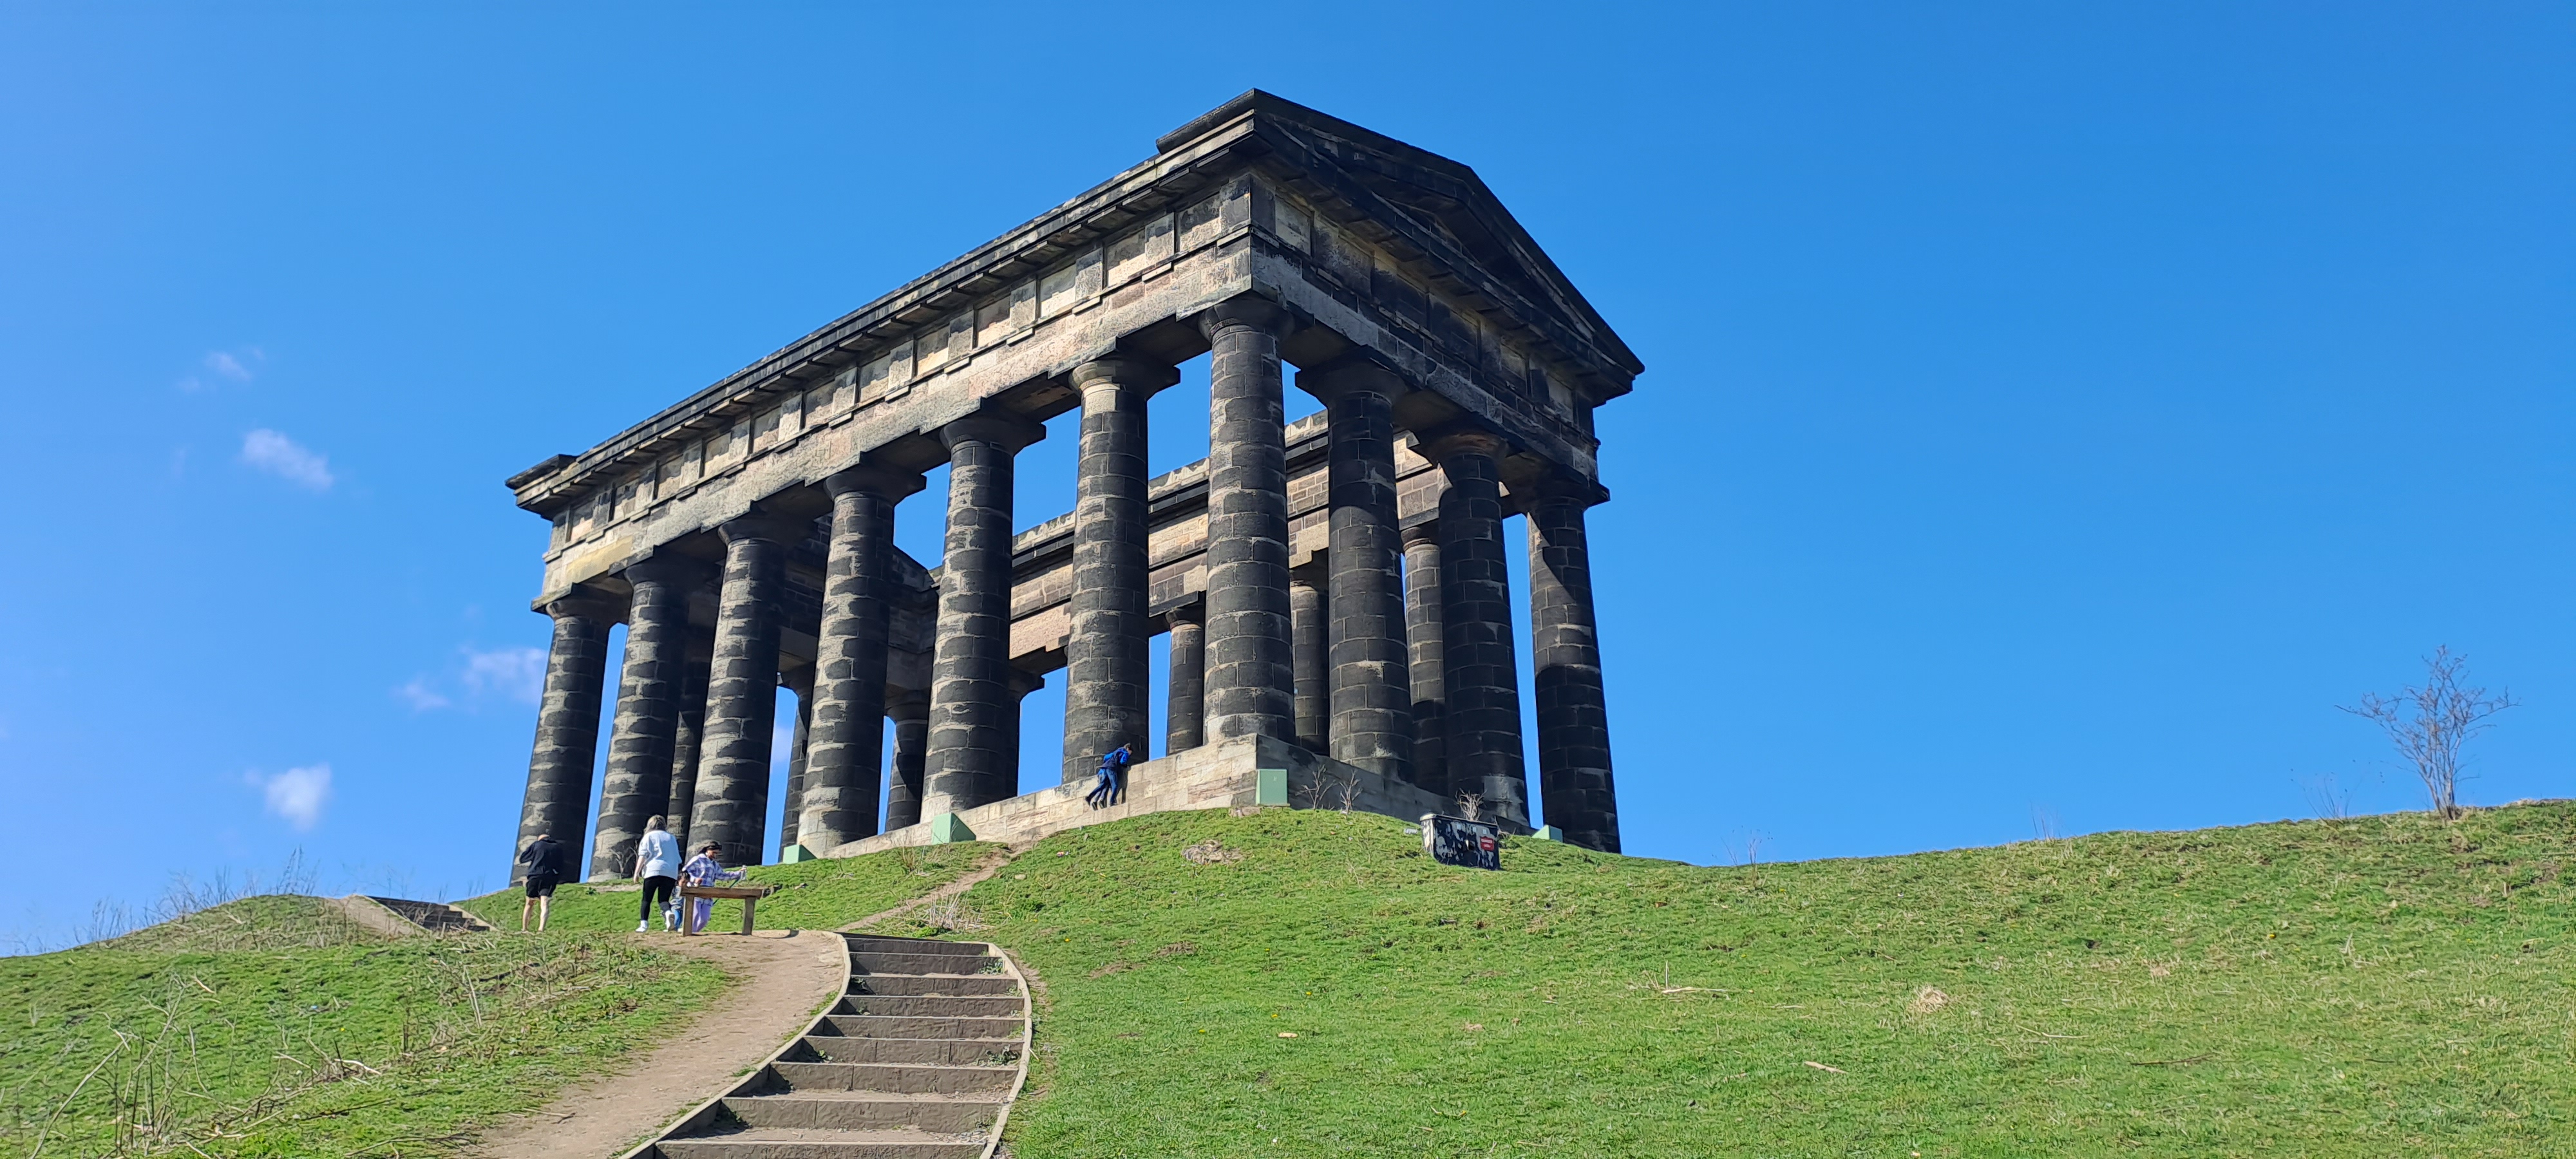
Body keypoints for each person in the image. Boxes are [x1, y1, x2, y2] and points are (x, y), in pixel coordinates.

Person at [678, 842, 744, 935]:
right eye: (714, 853)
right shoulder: (698, 859)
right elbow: (685, 872)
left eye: (717, 854)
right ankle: (688, 932)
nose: (715, 855)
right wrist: (694, 880)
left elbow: (722, 875)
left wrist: (738, 873)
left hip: (709, 892)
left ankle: (694, 933)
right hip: (695, 890)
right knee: (695, 915)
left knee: (704, 919)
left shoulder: (714, 864)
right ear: (707, 850)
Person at [632, 815, 682, 932]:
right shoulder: (671, 838)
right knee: (663, 900)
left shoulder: (648, 836)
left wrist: (636, 873)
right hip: (670, 872)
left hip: (653, 870)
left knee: (647, 899)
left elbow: (643, 855)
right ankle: (669, 913)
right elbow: (678, 859)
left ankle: (644, 925)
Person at [516, 831, 565, 932]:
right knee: (544, 903)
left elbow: (523, 858)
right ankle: (541, 929)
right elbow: (561, 865)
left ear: (540, 839)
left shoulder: (537, 844)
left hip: (535, 875)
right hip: (549, 877)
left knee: (529, 902)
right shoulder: (557, 847)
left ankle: (524, 929)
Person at [1103, 742, 1133, 806]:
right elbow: (1122, 762)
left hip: (1106, 769)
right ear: (1128, 749)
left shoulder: (1116, 752)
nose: (1130, 754)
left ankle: (1103, 800)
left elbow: (1106, 758)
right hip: (1112, 769)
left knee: (1108, 786)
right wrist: (1126, 766)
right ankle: (1112, 802)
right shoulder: (1125, 753)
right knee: (1115, 786)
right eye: (1131, 752)